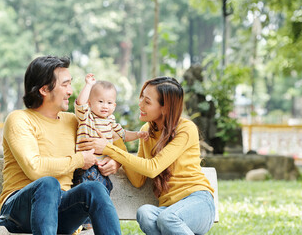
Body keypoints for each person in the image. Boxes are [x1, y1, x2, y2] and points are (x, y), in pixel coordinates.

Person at [0, 55, 121, 235]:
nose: (70, 91)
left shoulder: (73, 121)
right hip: (18, 211)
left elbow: (114, 141)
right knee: (48, 184)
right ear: (44, 89)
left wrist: (115, 161)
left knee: (94, 188)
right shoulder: (19, 119)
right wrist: (79, 159)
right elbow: (35, 168)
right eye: (65, 84)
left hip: (61, 209)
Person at [85, 76, 216, 235]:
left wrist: (109, 149)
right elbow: (138, 180)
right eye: (141, 97)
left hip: (198, 202)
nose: (140, 104)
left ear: (165, 108)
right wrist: (117, 140)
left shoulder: (185, 129)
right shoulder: (147, 130)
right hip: (168, 208)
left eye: (147, 102)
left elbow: (153, 168)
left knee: (167, 218)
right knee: (145, 213)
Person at [73, 73, 148, 229]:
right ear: (90, 103)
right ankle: (84, 222)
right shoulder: (87, 117)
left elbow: (123, 134)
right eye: (100, 101)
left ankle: (93, 220)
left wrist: (138, 135)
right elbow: (80, 103)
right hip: (86, 165)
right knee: (88, 188)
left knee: (106, 187)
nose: (104, 106)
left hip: (102, 169)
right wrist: (88, 84)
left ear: (114, 106)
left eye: (109, 102)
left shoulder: (111, 122)